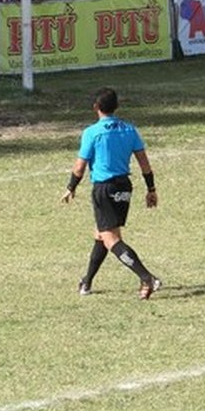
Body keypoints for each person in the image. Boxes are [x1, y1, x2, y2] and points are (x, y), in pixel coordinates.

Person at [61, 87, 162, 300]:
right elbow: (144, 162)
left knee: (110, 237)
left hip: (104, 189)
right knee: (102, 234)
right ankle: (87, 281)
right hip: (124, 187)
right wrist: (151, 189)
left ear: (96, 107)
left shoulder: (92, 132)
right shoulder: (129, 129)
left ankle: (147, 277)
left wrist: (71, 187)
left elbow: (80, 167)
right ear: (117, 107)